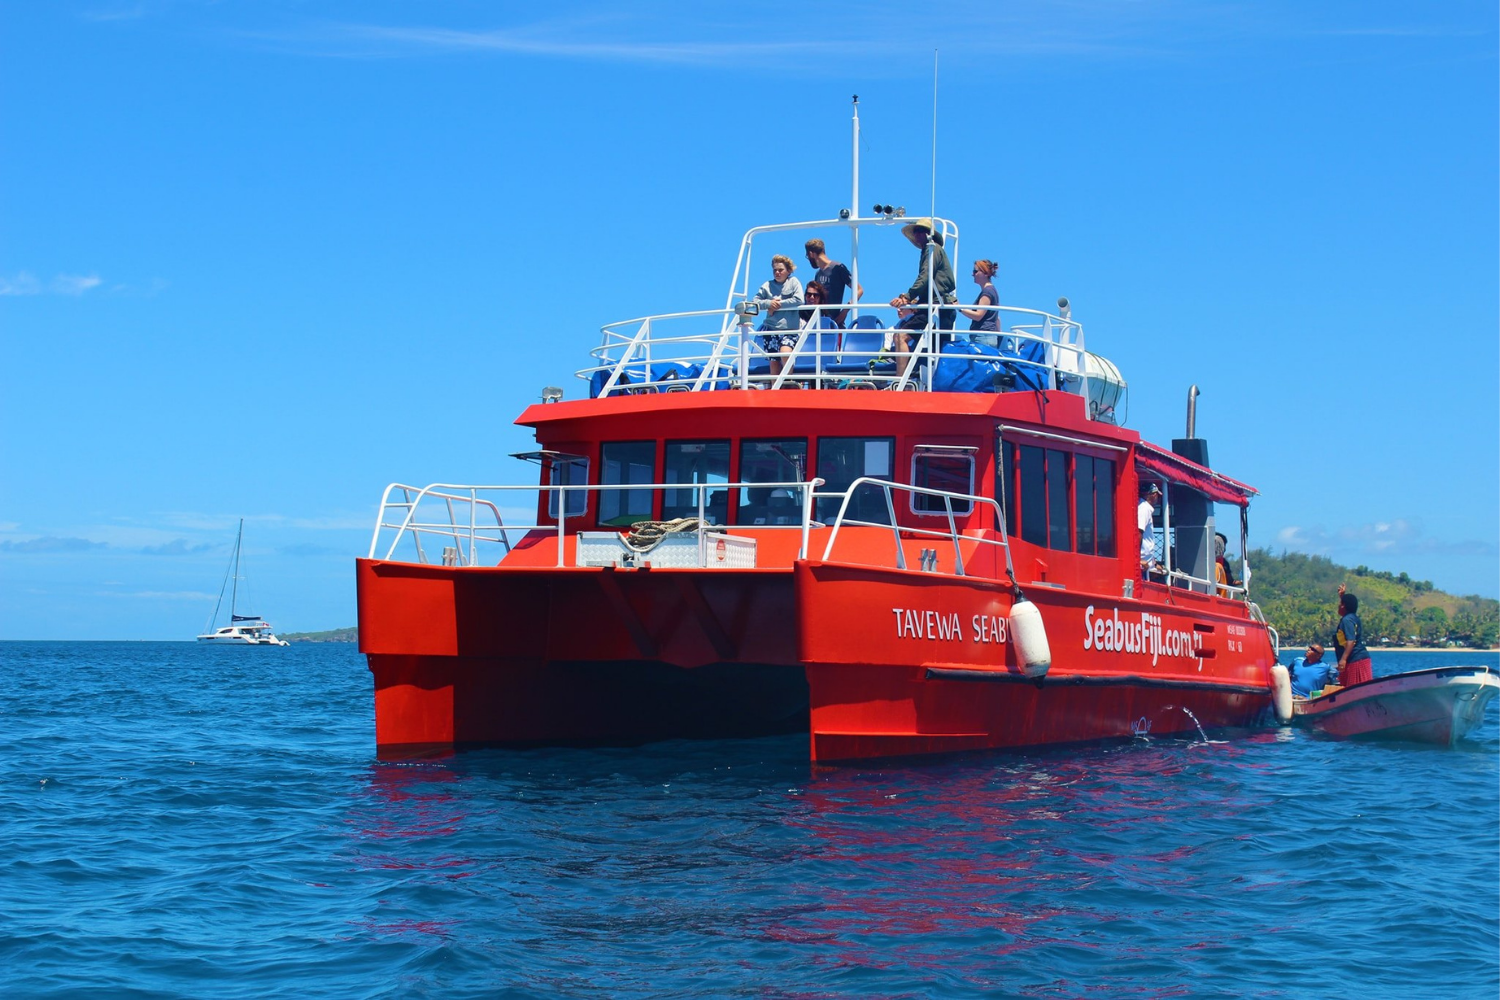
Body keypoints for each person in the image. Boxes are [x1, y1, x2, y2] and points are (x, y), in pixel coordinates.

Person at [889, 219, 957, 371]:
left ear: (927, 234)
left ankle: (901, 382)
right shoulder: (932, 250)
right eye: (915, 232)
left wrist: (907, 297)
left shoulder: (931, 249)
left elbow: (925, 276)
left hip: (935, 308)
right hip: (936, 307)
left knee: (901, 336)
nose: (916, 235)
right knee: (934, 350)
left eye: (919, 231)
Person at [753, 254, 804, 377]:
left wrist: (778, 305)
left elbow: (799, 300)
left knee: (785, 353)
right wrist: (769, 303)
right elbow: (755, 301)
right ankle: (775, 391)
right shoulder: (767, 285)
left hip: (790, 330)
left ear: (788, 270)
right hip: (771, 329)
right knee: (774, 362)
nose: (777, 272)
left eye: (780, 270)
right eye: (775, 270)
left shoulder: (794, 282)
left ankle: (788, 383)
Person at [803, 239, 862, 328]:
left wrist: (845, 311)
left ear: (811, 254)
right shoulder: (818, 274)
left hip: (835, 323)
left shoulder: (837, 268)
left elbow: (859, 290)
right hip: (820, 323)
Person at [1333, 583, 1373, 686]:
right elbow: (1348, 605)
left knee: (1355, 689)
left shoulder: (1347, 620)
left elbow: (1351, 641)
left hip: (1356, 660)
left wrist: (1343, 659)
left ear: (1343, 606)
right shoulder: (1352, 617)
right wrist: (1342, 596)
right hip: (1355, 659)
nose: (1338, 606)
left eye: (1340, 603)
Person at [959, 260, 1001, 348]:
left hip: (983, 337)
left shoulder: (987, 292)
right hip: (988, 337)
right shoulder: (992, 291)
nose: (973, 274)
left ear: (985, 273)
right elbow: (997, 318)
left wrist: (959, 308)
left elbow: (978, 315)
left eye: (975, 271)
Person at [1138, 482, 1163, 579]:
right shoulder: (1144, 508)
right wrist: (1137, 559)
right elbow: (1138, 532)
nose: (1157, 498)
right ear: (1153, 494)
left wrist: (1154, 563)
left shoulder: (1143, 507)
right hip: (1141, 564)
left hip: (1146, 563)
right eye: (1156, 495)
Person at [1214, 532, 1239, 596]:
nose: (1224, 549)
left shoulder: (1224, 564)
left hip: (1219, 593)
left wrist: (1242, 582)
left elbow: (1230, 581)